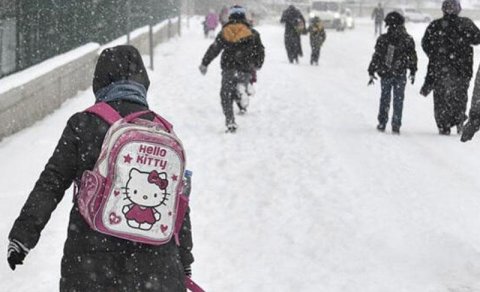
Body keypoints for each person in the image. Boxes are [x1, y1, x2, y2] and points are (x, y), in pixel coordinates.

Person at [7, 45, 194, 291]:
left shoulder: (83, 124)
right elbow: (177, 202)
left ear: (100, 81)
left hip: (91, 261)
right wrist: (184, 259)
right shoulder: (162, 131)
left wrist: (23, 235)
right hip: (156, 265)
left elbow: (51, 182)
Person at [199, 5, 265, 133]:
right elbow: (260, 51)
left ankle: (230, 121)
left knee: (226, 95)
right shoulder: (253, 33)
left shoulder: (225, 31)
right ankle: (242, 92)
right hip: (245, 68)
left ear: (230, 16)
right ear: (244, 16)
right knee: (240, 85)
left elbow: (214, 49)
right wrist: (257, 64)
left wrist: (204, 63)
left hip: (229, 68)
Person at [421, 0, 480, 135]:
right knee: (459, 96)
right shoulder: (466, 24)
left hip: (440, 69)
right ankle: (459, 120)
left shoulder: (435, 26)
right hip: (462, 69)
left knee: (441, 97)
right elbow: (477, 39)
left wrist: (435, 54)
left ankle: (443, 124)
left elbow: (426, 44)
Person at [368, 11, 417, 134]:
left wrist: (372, 70)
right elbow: (412, 56)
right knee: (398, 99)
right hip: (400, 73)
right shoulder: (407, 39)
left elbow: (377, 56)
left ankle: (382, 122)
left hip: (386, 73)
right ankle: (396, 124)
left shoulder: (384, 39)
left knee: (385, 98)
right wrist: (413, 70)